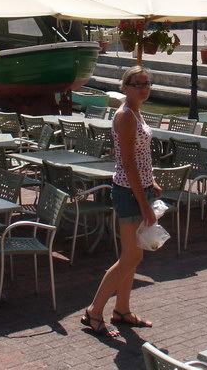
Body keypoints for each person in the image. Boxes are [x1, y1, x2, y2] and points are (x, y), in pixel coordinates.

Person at [82, 65, 160, 339]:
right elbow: (127, 163)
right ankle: (94, 310)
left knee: (132, 256)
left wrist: (151, 183)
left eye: (146, 83)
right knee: (131, 256)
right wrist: (144, 202)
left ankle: (122, 310)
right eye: (137, 84)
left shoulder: (137, 112)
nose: (143, 88)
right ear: (125, 87)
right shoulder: (125, 116)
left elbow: (140, 156)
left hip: (139, 189)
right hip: (129, 193)